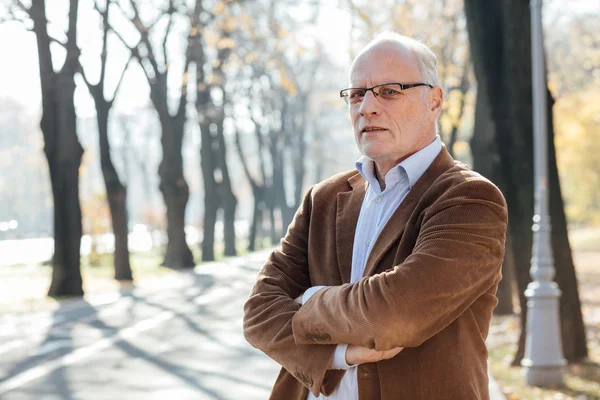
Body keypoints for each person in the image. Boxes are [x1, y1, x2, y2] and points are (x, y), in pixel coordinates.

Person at [243, 32, 508, 400]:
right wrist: (340, 354)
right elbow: (258, 312)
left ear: (434, 100)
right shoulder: (324, 198)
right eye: (356, 94)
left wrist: (309, 299)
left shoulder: (470, 199)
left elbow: (396, 314)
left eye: (389, 91)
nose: (366, 107)